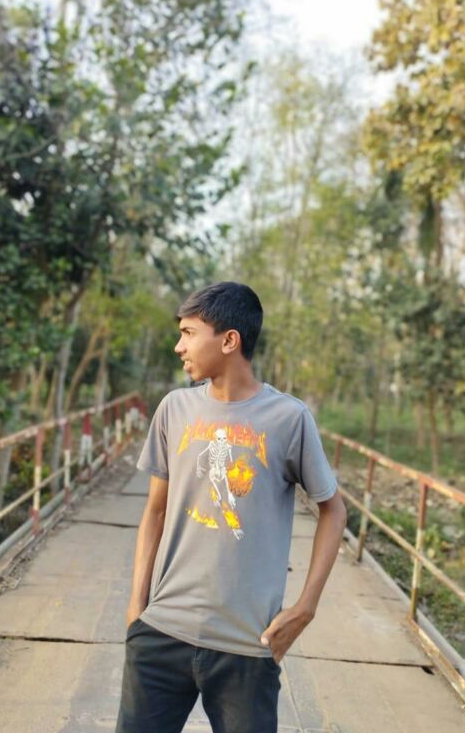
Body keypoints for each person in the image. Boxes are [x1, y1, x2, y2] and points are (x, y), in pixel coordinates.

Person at [116, 281, 347, 733]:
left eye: (188, 333)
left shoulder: (289, 418)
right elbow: (156, 512)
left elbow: (333, 510)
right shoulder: (174, 409)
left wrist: (305, 608)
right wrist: (136, 608)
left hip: (247, 645)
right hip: (161, 633)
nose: (179, 346)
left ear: (229, 341)